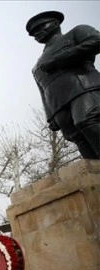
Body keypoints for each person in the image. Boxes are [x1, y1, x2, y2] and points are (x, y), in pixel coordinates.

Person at [27, 10, 100, 159]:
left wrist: (59, 60)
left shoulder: (76, 32)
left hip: (83, 87)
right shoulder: (36, 67)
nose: (37, 33)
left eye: (41, 27)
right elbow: (43, 91)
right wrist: (50, 116)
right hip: (58, 103)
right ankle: (93, 169)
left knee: (86, 120)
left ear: (55, 24)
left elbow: (96, 41)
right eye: (34, 33)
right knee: (74, 135)